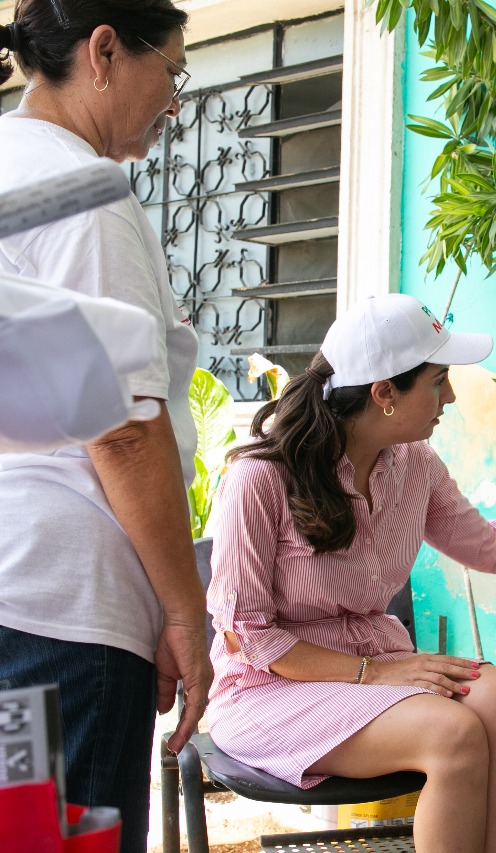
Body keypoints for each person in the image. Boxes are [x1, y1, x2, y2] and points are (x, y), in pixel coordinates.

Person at [205, 293, 496, 853]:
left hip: (380, 662)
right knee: (452, 733)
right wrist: (375, 674)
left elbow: (491, 548)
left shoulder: (415, 468)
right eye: (438, 380)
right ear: (384, 392)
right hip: (272, 689)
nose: (452, 395)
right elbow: (248, 636)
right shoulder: (260, 480)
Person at [0, 2, 210, 850]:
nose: (173, 101)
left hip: (22, 600)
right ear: (105, 52)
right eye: (172, 72)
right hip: (70, 624)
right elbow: (120, 425)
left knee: (27, 832)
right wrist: (185, 615)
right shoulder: (82, 192)